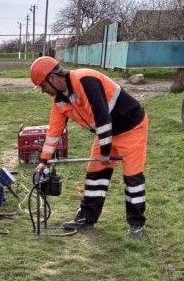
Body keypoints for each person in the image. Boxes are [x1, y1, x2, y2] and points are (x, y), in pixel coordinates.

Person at [30, 56, 149, 238]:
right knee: (95, 176)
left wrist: (105, 151)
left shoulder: (86, 79)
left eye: (43, 86)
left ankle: (137, 225)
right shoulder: (60, 100)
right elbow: (54, 131)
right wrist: (44, 161)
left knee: (133, 179)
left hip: (131, 128)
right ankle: (87, 218)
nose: (44, 91)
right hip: (107, 133)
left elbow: (103, 117)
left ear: (52, 78)